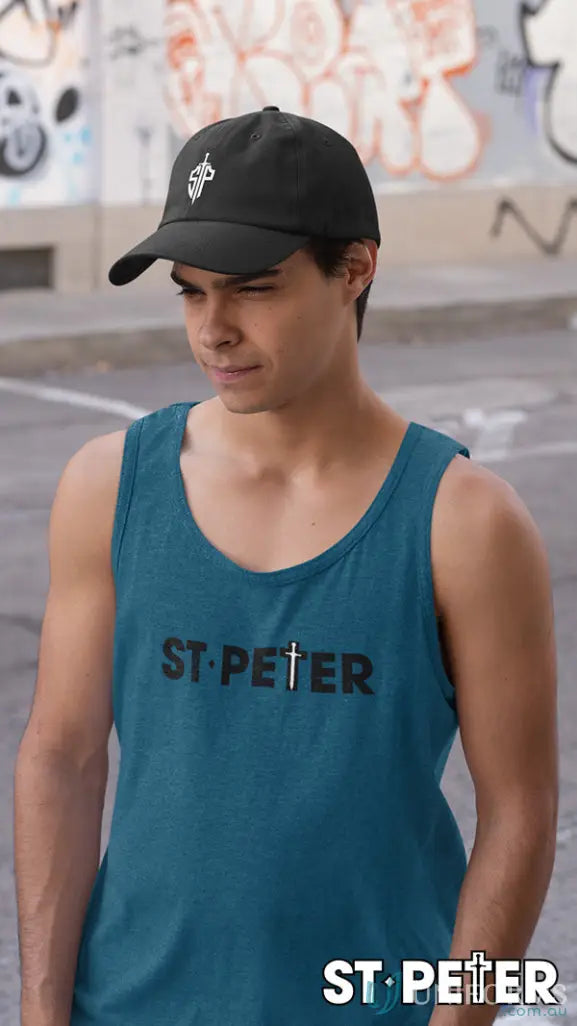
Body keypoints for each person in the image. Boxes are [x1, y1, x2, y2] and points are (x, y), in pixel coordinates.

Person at [14, 107, 558, 1026]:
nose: (213, 329)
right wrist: (40, 1011)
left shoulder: (466, 523)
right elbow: (62, 761)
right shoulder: (110, 487)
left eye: (252, 289)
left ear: (354, 270)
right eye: (190, 293)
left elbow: (520, 813)